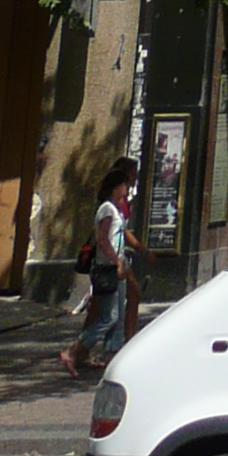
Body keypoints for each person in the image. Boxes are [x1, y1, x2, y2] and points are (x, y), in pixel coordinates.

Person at [61, 156, 140, 379]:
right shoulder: (107, 209)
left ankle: (112, 355)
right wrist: (116, 261)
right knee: (109, 316)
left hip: (117, 266)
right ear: (115, 187)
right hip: (107, 268)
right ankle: (73, 351)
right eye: (124, 184)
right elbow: (103, 240)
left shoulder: (115, 208)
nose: (127, 188)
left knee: (117, 312)